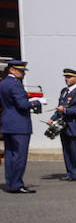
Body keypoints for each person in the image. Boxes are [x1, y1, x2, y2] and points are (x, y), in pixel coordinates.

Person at [1, 59, 35, 193]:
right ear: (11, 70)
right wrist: (36, 102)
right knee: (20, 155)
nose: (23, 73)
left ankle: (10, 183)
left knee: (9, 155)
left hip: (7, 123)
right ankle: (17, 184)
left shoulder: (3, 84)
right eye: (20, 70)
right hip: (19, 124)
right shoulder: (15, 84)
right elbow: (23, 105)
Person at [52, 68, 76, 181]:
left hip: (75, 126)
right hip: (64, 126)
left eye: (69, 77)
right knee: (67, 151)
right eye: (66, 77)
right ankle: (70, 172)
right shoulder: (64, 91)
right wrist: (52, 119)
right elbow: (60, 107)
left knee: (75, 151)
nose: (67, 79)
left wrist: (66, 111)